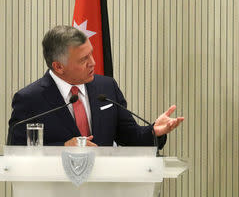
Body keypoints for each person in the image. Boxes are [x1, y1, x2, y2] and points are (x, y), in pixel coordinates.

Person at [8, 25, 184, 147]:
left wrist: (154, 131)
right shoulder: (30, 99)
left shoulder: (106, 88)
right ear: (58, 66)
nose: (93, 63)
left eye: (91, 54)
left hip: (103, 189)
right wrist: (63, 148)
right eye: (83, 59)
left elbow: (130, 137)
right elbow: (17, 151)